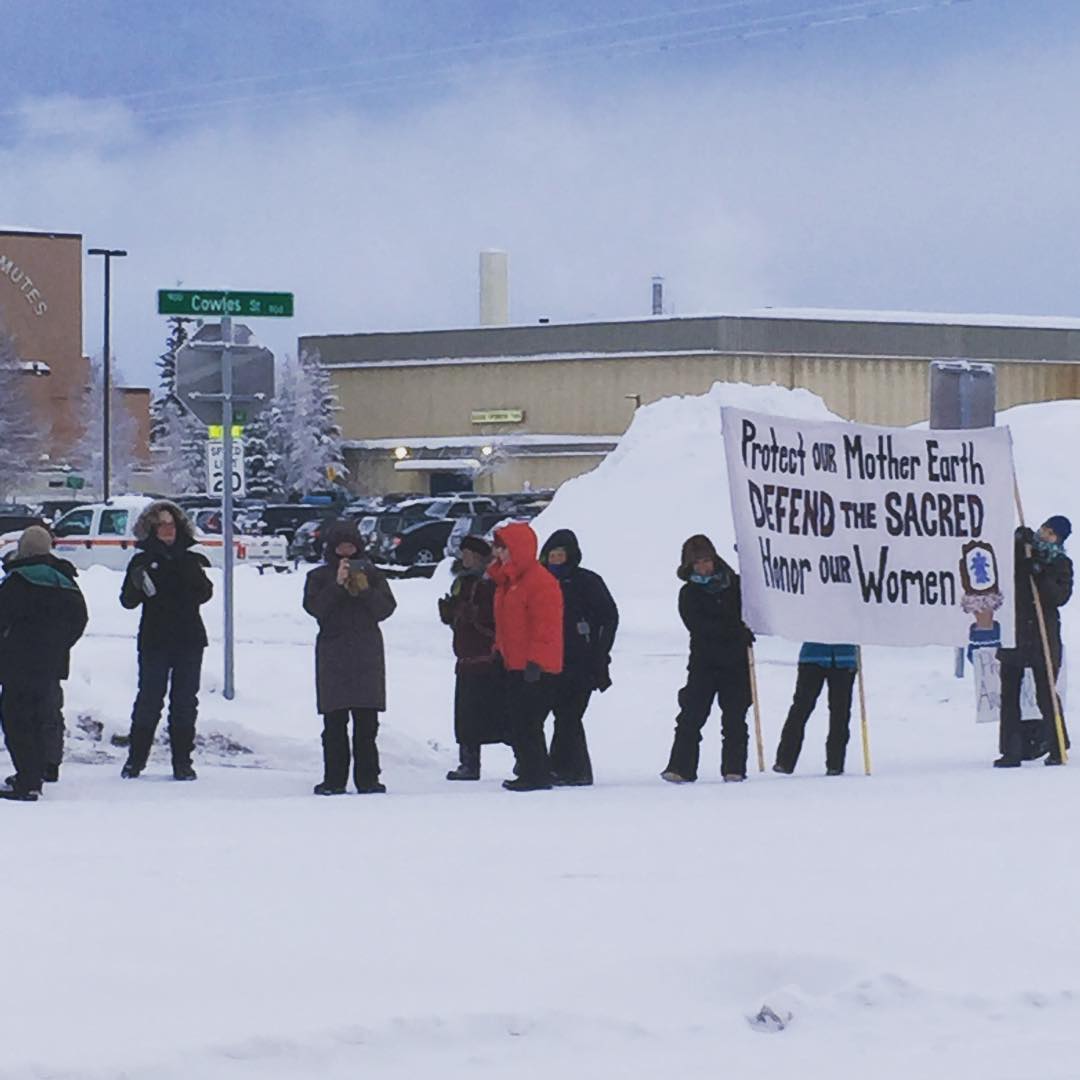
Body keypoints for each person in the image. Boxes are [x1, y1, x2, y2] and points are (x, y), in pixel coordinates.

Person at [120, 501, 213, 781]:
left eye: (172, 524)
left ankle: (182, 762)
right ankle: (136, 760)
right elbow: (127, 601)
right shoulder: (141, 560)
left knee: (185, 702)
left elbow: (205, 593)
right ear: (151, 528)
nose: (168, 530)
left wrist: (187, 572)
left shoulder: (190, 557)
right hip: (155, 639)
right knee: (149, 699)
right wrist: (138, 583)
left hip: (189, 639)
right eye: (162, 525)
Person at [303, 519, 397, 794]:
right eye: (341, 547)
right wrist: (337, 584)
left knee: (367, 725)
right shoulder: (319, 577)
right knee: (334, 723)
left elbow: (385, 609)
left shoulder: (373, 574)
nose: (346, 553)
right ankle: (334, 779)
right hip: (333, 656)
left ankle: (368, 778)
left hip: (367, 656)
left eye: (350, 546)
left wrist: (365, 588)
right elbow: (316, 608)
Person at [0, 526, 88, 801]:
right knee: (45, 716)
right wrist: (60, 645)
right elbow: (80, 619)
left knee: (17, 720)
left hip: (17, 662)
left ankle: (26, 781)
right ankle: (41, 770)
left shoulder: (18, 582)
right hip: (52, 663)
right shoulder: (65, 580)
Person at [662, 534, 754, 784]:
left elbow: (754, 609)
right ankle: (681, 767)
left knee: (735, 717)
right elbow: (699, 625)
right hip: (704, 663)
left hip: (736, 663)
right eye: (697, 563)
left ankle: (734, 768)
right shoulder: (689, 594)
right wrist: (736, 631)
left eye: (706, 561)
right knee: (691, 716)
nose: (703, 567)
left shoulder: (736, 584)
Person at [538, 528, 619, 786]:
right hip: (548, 660)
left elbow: (609, 617)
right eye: (553, 554)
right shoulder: (539, 581)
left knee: (569, 715)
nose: (556, 559)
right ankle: (566, 768)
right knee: (558, 715)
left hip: (581, 660)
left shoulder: (587, 582)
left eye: (561, 555)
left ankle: (569, 769)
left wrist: (599, 650)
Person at [488, 521, 563, 792]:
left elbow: (546, 626)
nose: (499, 554)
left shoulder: (539, 582)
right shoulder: (507, 582)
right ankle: (531, 769)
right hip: (514, 663)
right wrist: (500, 651)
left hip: (534, 666)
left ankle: (536, 773)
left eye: (503, 548)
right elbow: (507, 624)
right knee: (518, 722)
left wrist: (537, 661)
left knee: (528, 722)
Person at [996, 516, 1073, 768]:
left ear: (1059, 539)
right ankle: (1011, 751)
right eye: (1044, 528)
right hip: (1014, 633)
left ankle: (1057, 745)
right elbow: (1001, 559)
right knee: (1009, 694)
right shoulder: (1022, 553)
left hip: (1043, 636)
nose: (1044, 534)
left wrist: (1039, 572)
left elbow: (1059, 597)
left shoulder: (1061, 563)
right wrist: (1019, 541)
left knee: (1046, 693)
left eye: (1051, 533)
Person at [438, 535, 504, 780]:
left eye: (468, 553)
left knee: (499, 713)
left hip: (488, 657)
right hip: (466, 656)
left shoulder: (490, 582)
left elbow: (496, 615)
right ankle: (469, 762)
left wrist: (473, 614)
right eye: (462, 553)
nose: (464, 557)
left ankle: (522, 757)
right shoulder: (462, 582)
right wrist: (452, 615)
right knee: (466, 716)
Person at [773, 643, 858, 776]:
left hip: (843, 658)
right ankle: (785, 761)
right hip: (813, 656)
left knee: (840, 712)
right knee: (801, 708)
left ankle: (835, 763)